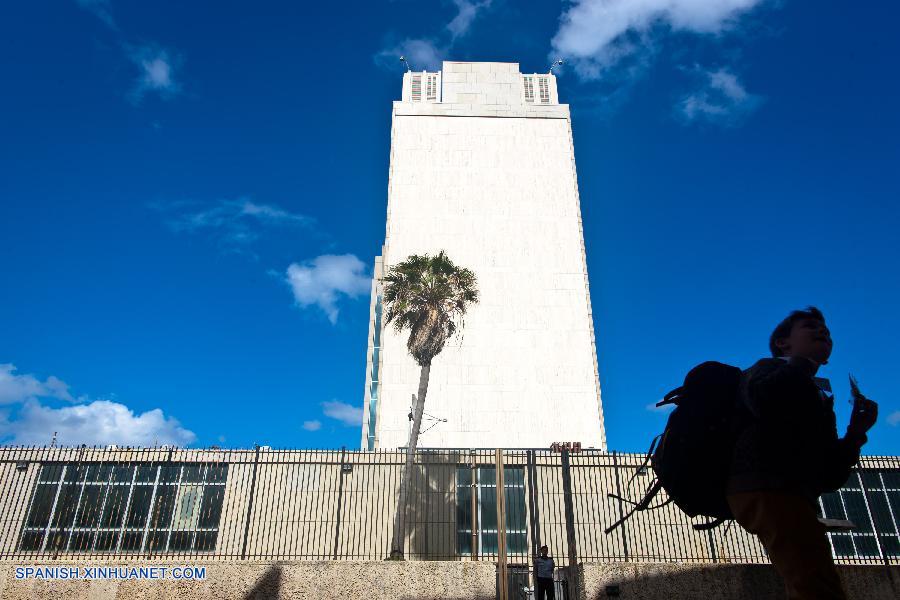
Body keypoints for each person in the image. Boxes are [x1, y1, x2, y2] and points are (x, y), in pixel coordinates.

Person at [727, 306, 878, 600]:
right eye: (810, 327)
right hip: (766, 485)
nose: (823, 332)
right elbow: (764, 399)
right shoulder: (767, 369)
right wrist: (800, 365)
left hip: (793, 492)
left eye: (827, 332)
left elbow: (829, 475)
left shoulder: (819, 395)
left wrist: (856, 432)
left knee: (813, 582)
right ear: (782, 343)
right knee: (817, 586)